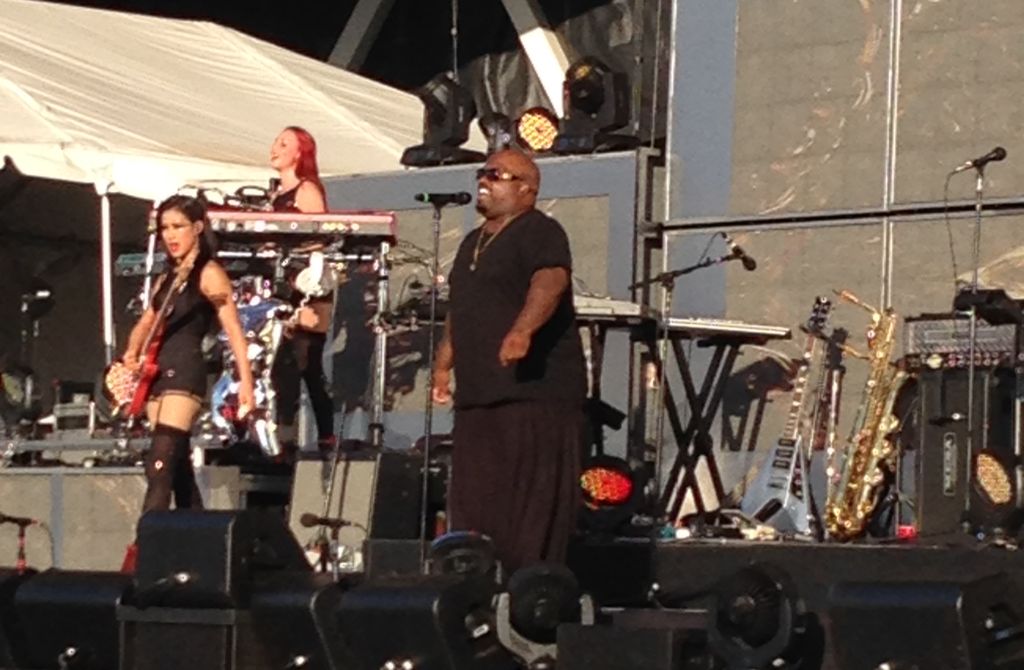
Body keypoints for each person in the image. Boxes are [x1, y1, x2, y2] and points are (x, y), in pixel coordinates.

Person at [431, 149, 586, 575]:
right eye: (481, 173)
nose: (484, 181)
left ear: (526, 189)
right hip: (479, 397)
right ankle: (476, 585)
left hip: (533, 394)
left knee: (526, 511)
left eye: (496, 175)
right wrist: (444, 364)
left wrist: (523, 330)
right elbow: (461, 308)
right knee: (476, 507)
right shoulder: (472, 242)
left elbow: (550, 281)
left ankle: (527, 589)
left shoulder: (541, 230)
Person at [121, 195, 255, 514]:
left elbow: (233, 329)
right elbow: (147, 321)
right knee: (177, 468)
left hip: (185, 372)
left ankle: (147, 537)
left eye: (178, 226)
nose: (170, 235)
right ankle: (195, 531)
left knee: (159, 463)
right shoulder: (166, 278)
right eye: (164, 228)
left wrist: (246, 382)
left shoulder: (209, 273)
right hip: (156, 374)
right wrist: (131, 352)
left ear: (197, 228)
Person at [268, 126, 336, 455]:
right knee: (284, 364)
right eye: (276, 142)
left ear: (299, 153)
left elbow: (318, 239)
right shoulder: (275, 195)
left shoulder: (306, 190)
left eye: (284, 144)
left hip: (308, 285)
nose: (275, 148)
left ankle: (319, 436)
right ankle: (286, 437)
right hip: (284, 285)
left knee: (304, 361)